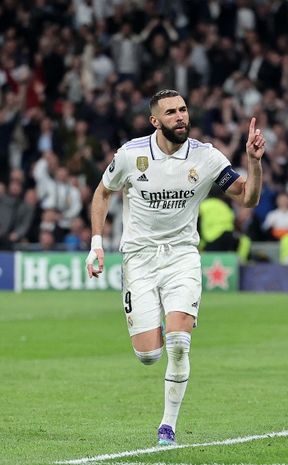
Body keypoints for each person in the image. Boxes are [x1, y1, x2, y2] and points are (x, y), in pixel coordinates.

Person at [85, 89, 265, 444]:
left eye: (183, 110)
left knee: (179, 342)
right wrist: (96, 244)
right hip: (139, 258)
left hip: (182, 256)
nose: (181, 116)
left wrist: (254, 162)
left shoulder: (207, 157)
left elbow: (248, 198)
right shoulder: (131, 155)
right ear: (155, 120)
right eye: (171, 112)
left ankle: (167, 426)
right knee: (150, 355)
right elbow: (102, 192)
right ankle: (157, 338)